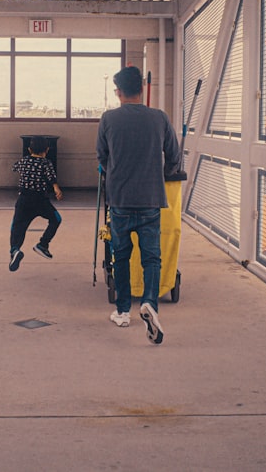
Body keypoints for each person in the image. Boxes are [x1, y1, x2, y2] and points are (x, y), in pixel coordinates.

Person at [96, 65, 180, 344]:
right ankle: (150, 304)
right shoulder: (159, 118)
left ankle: (122, 311)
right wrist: (164, 174)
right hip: (150, 199)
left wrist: (115, 172)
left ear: (118, 92)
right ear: (142, 89)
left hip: (120, 199)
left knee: (120, 256)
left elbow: (101, 156)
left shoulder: (108, 119)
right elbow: (174, 154)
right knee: (151, 257)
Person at [9, 136, 63, 272]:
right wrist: (57, 189)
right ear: (47, 149)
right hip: (40, 200)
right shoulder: (46, 163)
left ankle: (15, 250)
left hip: (24, 200)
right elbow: (52, 178)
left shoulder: (24, 161)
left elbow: (14, 168)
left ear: (29, 149)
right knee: (56, 219)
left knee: (17, 227)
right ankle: (43, 244)